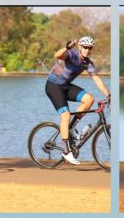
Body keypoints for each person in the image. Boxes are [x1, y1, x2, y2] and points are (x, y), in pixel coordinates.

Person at [45, 36, 110, 165]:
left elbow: (96, 78)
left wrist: (108, 95)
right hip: (53, 86)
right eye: (85, 47)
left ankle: (70, 128)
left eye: (90, 48)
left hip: (65, 86)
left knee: (89, 99)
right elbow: (57, 55)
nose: (87, 50)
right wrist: (67, 47)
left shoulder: (88, 63)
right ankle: (65, 152)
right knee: (66, 116)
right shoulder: (71, 55)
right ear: (80, 47)